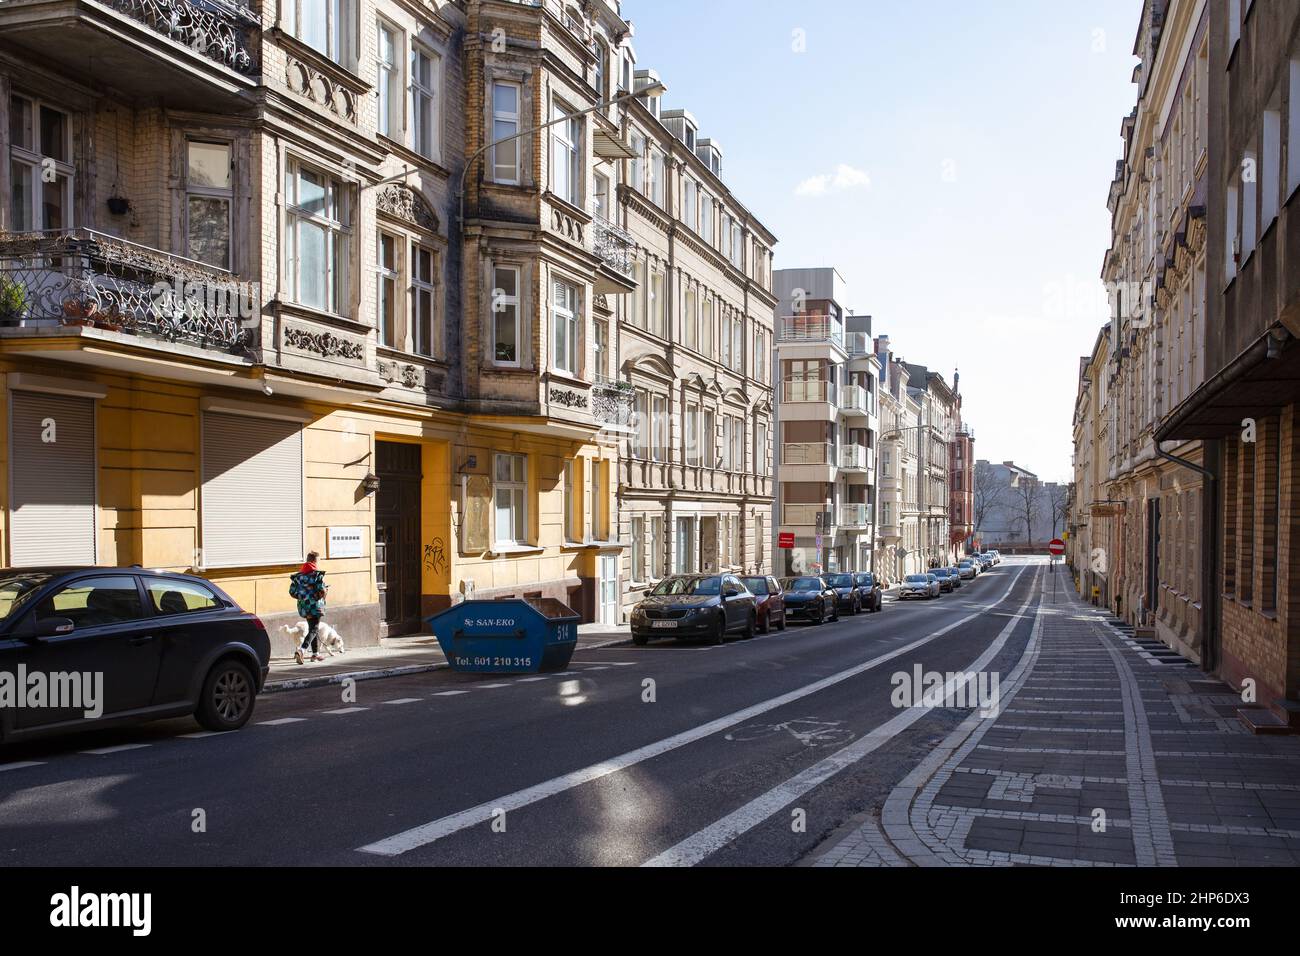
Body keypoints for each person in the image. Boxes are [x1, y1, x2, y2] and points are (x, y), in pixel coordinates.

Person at [290, 551, 329, 664]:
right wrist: (324, 592)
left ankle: (315, 654)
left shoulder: (298, 577)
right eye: (317, 561)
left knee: (312, 627)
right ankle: (302, 650)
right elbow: (321, 591)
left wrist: (303, 598)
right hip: (315, 606)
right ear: (313, 561)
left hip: (304, 607)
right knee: (314, 629)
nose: (318, 564)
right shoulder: (316, 575)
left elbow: (292, 592)